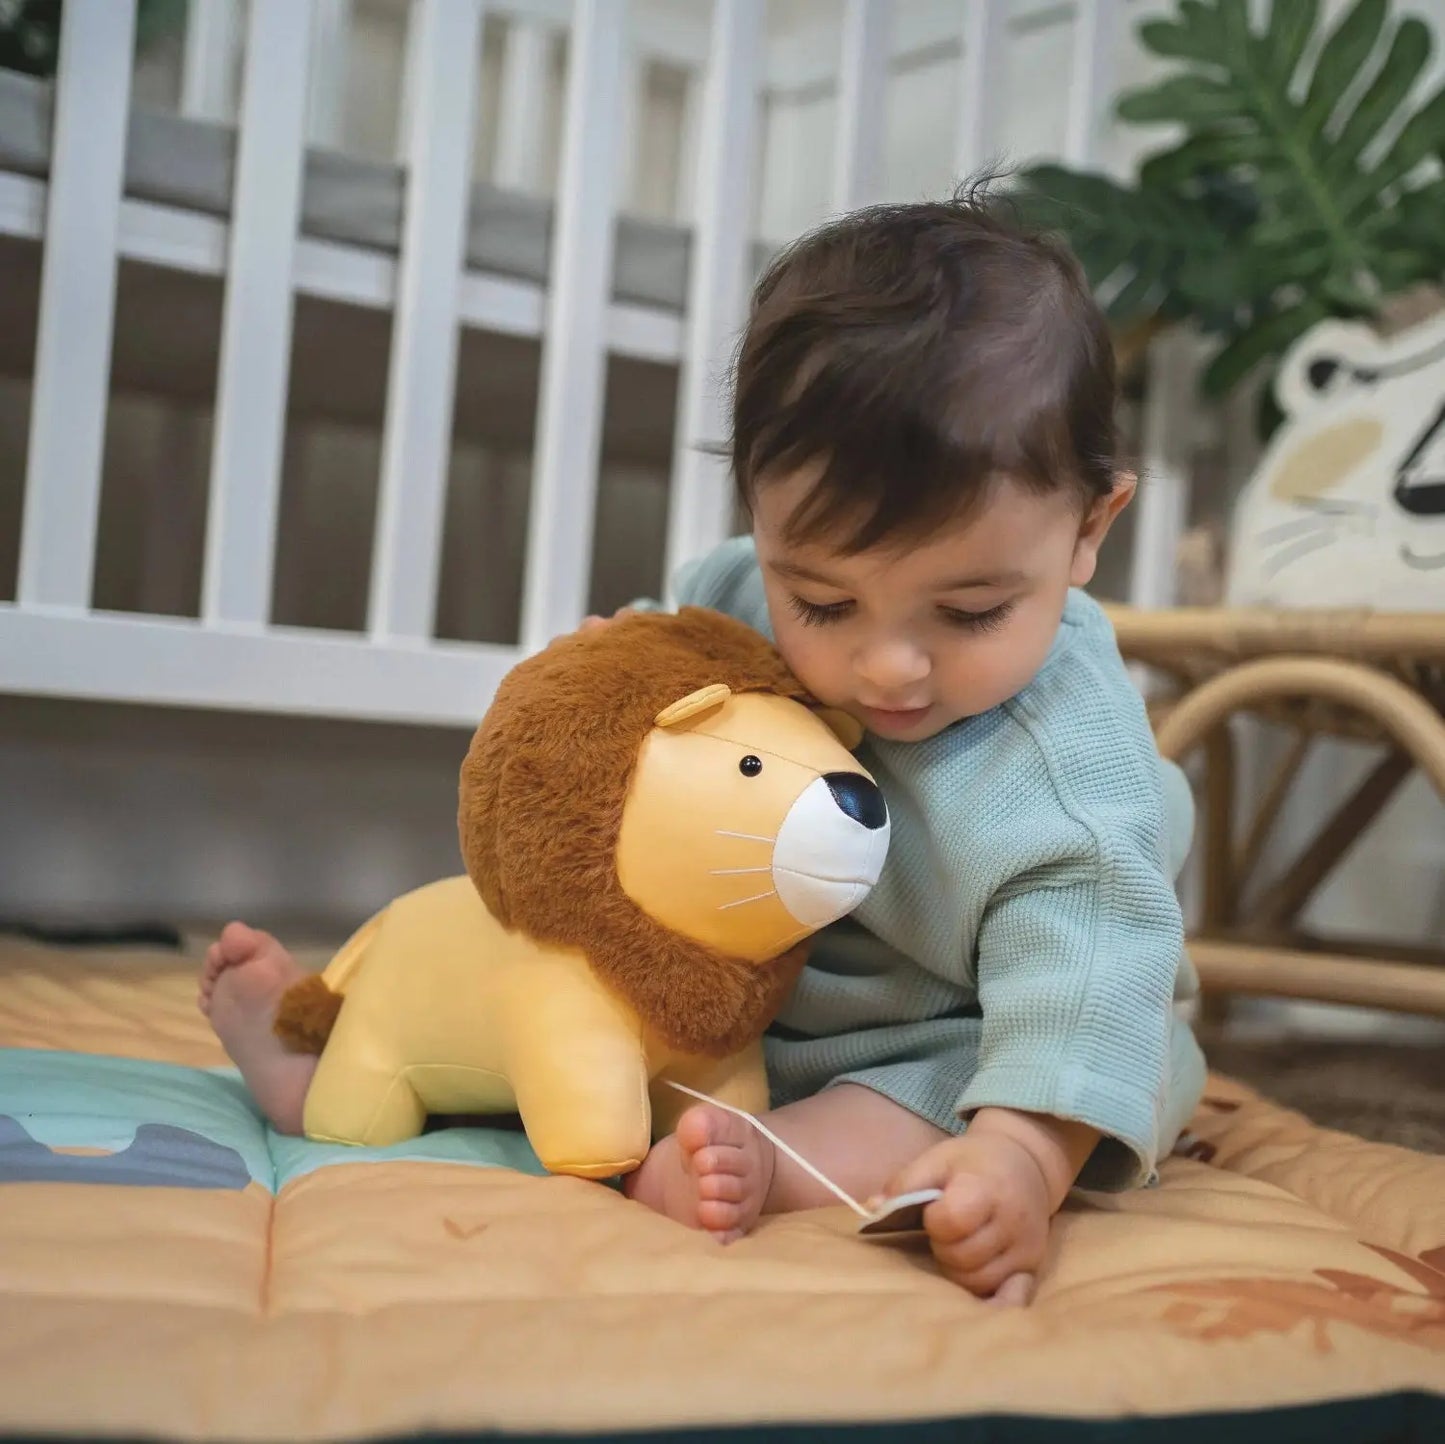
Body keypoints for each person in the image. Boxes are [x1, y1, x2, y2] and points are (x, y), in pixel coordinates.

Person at [200, 184, 1204, 1307]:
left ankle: (774, 1161)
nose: (886, 668)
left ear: (1085, 531)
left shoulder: (1066, 765)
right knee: (550, 973)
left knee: (977, 1083)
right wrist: (601, 691)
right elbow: (654, 687)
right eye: (821, 602)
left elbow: (1089, 972)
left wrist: (1019, 1154)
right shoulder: (733, 593)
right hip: (728, 1001)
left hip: (963, 1035)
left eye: (966, 613)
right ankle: (323, 1069)